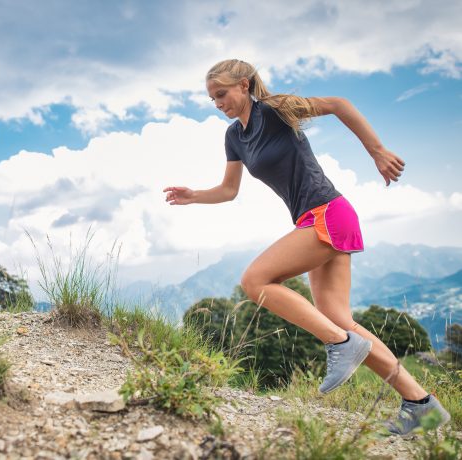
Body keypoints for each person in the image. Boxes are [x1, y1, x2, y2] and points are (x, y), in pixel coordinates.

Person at [163, 59, 450, 436]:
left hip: (329, 212)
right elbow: (229, 190)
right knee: (340, 318)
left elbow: (339, 104)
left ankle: (339, 343)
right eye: (212, 98)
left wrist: (377, 151)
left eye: (222, 94)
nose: (217, 103)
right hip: (312, 220)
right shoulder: (235, 136)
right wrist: (194, 196)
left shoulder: (277, 110)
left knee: (255, 280)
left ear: (245, 85)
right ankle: (422, 405)